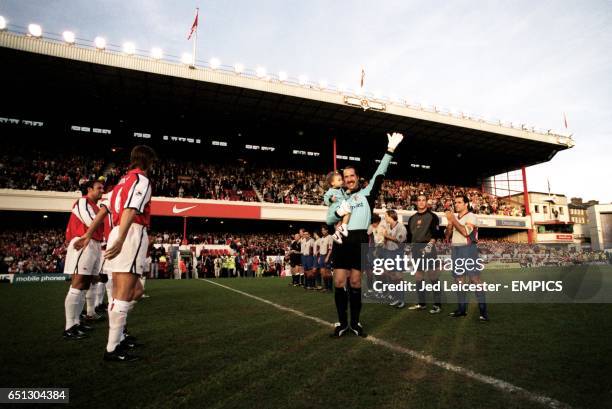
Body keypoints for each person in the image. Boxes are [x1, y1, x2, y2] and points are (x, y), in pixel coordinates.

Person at [331, 132, 404, 337]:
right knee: (338, 281)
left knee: (355, 282)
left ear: (357, 178)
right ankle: (342, 323)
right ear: (343, 181)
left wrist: (390, 150)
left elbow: (380, 172)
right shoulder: (339, 196)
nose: (349, 180)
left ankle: (355, 323)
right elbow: (331, 215)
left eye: (351, 176)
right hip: (342, 241)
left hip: (360, 240)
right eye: (345, 178)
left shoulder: (367, 193)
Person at [103, 145, 156, 361]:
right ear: (147, 161)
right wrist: (122, 238)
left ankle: (118, 338)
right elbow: (131, 209)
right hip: (130, 231)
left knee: (121, 292)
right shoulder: (141, 180)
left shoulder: (121, 182)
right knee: (124, 293)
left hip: (119, 229)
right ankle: (113, 348)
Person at [62, 179, 105, 339]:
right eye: (99, 188)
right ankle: (69, 326)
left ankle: (76, 322)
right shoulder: (82, 201)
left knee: (85, 284)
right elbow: (88, 221)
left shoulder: (96, 206)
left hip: (94, 243)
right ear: (89, 189)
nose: (102, 191)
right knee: (78, 283)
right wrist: (104, 214)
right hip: (83, 242)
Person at [445, 194, 488, 321]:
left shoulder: (471, 216)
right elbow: (447, 237)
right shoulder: (455, 218)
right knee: (459, 282)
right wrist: (449, 225)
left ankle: (483, 312)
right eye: (455, 202)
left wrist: (453, 219)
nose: (456, 204)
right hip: (456, 250)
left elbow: (465, 232)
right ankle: (462, 310)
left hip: (468, 250)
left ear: (465, 204)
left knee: (475, 281)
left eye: (459, 202)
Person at [406, 194, 443, 313]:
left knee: (433, 276)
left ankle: (438, 304)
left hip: (428, 248)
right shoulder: (412, 218)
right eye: (419, 200)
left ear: (426, 202)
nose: (421, 202)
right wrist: (410, 249)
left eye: (423, 200)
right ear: (416, 203)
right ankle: (421, 304)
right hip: (416, 249)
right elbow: (410, 236)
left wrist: (428, 247)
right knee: (418, 276)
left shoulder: (433, 216)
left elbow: (436, 234)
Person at [383, 210, 408, 309]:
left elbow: (399, 240)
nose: (384, 218)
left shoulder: (400, 226)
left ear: (390, 216)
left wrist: (386, 236)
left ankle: (402, 300)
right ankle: (396, 297)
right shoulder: (388, 226)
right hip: (388, 252)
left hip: (397, 253)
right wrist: (384, 240)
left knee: (398, 276)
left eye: (385, 216)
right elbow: (386, 240)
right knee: (392, 276)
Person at [324, 171, 352, 243]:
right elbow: (326, 200)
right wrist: (331, 199)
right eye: (339, 180)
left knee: (340, 220)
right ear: (333, 183)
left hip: (341, 208)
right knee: (347, 211)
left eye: (341, 180)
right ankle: (343, 227)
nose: (341, 181)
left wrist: (347, 193)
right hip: (335, 210)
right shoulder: (330, 191)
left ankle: (337, 234)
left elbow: (344, 197)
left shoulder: (342, 190)